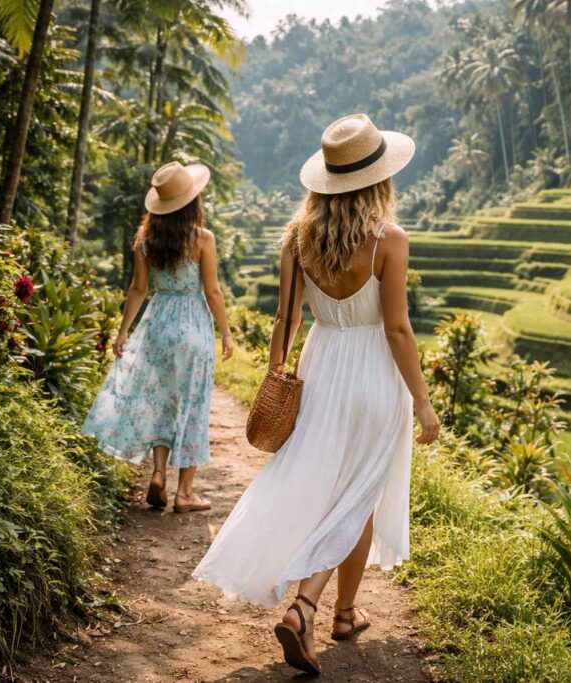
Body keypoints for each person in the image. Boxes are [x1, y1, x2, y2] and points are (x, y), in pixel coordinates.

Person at [193, 113, 440, 675]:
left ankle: (345, 612)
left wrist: (278, 376)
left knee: (333, 489)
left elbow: (287, 317)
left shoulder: (298, 237)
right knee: (359, 495)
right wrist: (422, 402)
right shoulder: (388, 241)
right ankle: (307, 606)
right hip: (374, 372)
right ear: (379, 179)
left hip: (321, 364)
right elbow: (399, 329)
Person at [82, 161, 235, 514]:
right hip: (193, 326)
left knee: (161, 402)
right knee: (192, 406)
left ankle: (158, 472)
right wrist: (225, 333)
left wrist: (122, 333)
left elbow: (138, 289)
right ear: (192, 202)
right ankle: (185, 494)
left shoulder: (145, 242)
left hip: (157, 326)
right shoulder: (202, 239)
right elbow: (212, 291)